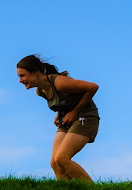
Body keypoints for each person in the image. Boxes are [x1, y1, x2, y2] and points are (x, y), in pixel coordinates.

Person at [16, 54, 100, 182]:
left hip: (85, 117)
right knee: (55, 163)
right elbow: (64, 100)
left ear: (36, 72)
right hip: (67, 120)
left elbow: (93, 87)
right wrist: (59, 113)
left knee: (62, 158)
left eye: (22, 75)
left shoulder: (60, 82)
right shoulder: (40, 91)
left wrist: (74, 112)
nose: (20, 80)